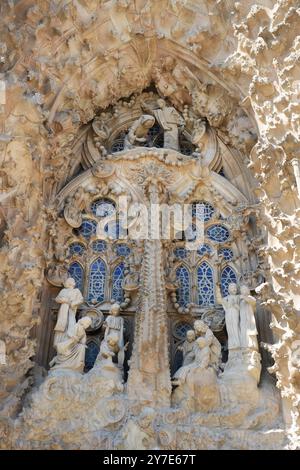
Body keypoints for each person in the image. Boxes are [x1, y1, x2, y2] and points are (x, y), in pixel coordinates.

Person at [54, 278, 84, 347]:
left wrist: (73, 303)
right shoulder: (64, 290)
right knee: (62, 324)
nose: (74, 282)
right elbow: (57, 299)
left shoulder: (76, 291)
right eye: (72, 281)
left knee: (71, 323)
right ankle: (61, 341)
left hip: (71, 309)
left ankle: (69, 339)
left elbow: (81, 299)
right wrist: (63, 300)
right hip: (63, 309)